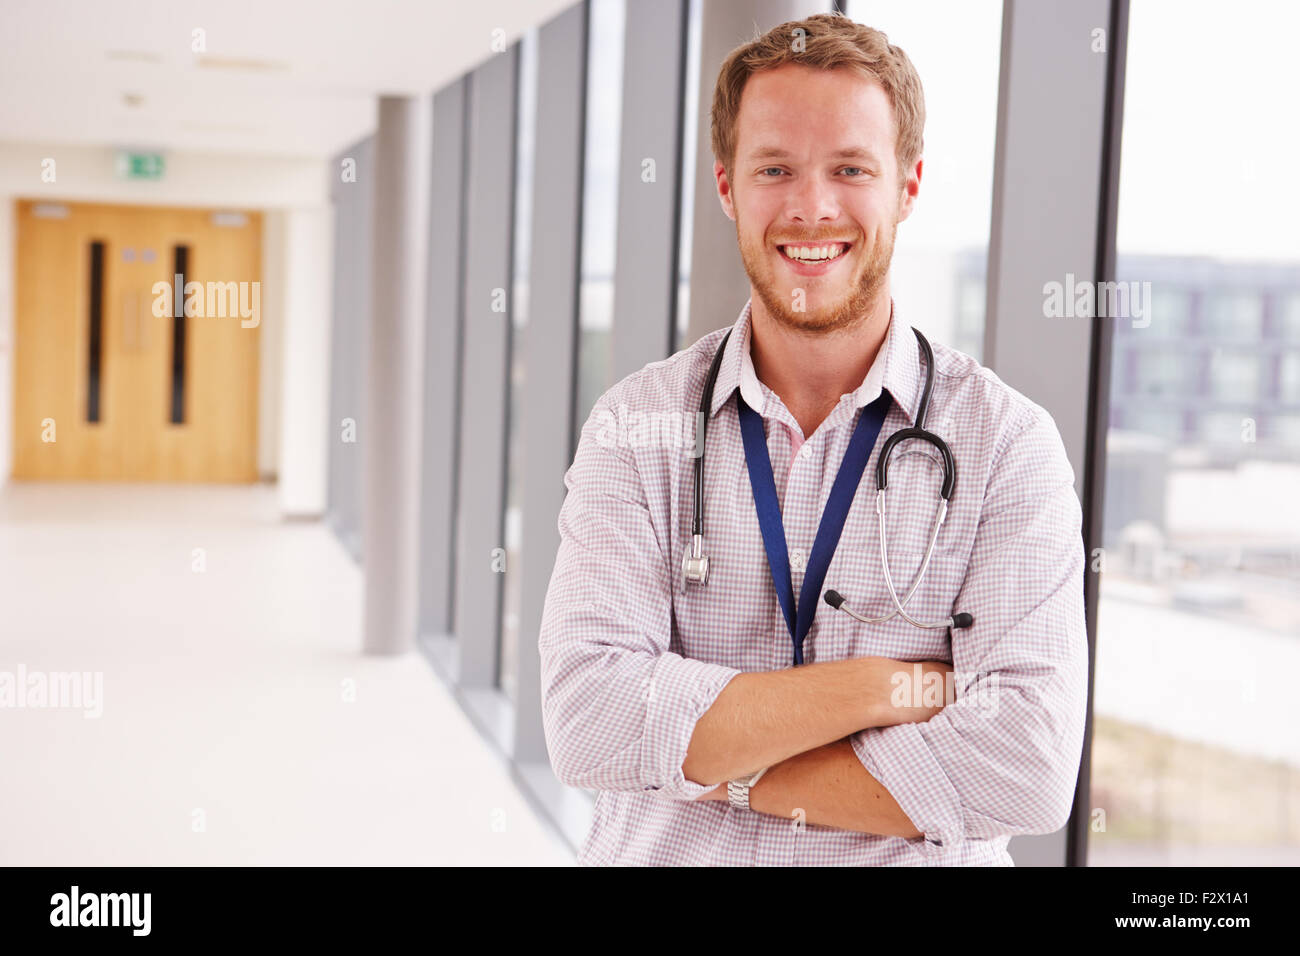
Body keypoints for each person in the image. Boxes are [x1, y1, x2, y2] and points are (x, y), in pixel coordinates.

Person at [538, 11, 1088, 866]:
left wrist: (729, 763)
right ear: (726, 187)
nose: (811, 205)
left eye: (850, 168)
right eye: (775, 168)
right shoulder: (635, 430)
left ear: (906, 186)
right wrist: (878, 690)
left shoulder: (1008, 445)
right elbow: (589, 720)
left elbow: (1026, 765)